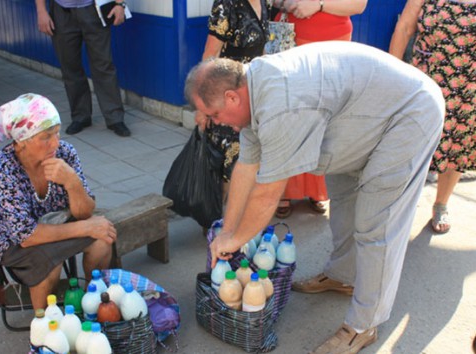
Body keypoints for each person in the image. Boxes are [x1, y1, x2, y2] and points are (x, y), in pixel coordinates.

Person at [186, 42, 444, 353]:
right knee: (344, 201)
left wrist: (236, 239)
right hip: (364, 116)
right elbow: (246, 167)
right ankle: (344, 276)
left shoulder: (281, 103)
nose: (214, 122)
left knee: (376, 225)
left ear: (231, 96)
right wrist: (228, 230)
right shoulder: (252, 92)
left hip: (408, 115)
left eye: (214, 114)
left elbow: (267, 195)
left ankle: (364, 325)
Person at [0, 93, 116, 310]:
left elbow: (84, 213)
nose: (55, 142)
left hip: (54, 223)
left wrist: (72, 182)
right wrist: (84, 227)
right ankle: (44, 326)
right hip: (11, 241)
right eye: (45, 137)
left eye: (57, 133)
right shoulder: (4, 168)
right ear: (21, 142)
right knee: (49, 263)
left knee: (102, 238)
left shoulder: (64, 153)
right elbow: (25, 236)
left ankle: (97, 305)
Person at [270, 0, 367, 218]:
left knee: (327, 120)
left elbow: (359, 5)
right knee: (290, 116)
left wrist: (319, 4)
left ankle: (318, 189)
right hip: (291, 39)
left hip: (335, 43)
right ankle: (284, 189)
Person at [389, 0, 475, 234]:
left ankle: (441, 204)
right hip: (426, 82)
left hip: (468, 87)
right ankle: (398, 206)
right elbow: (405, 27)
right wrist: (392, 75)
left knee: (457, 147)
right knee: (411, 148)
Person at [195, 0, 270, 207]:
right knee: (227, 164)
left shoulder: (264, 4)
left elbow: (261, 52)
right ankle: (219, 220)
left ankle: (238, 216)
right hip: (225, 100)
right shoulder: (226, 4)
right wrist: (203, 106)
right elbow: (210, 56)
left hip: (251, 99)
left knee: (249, 159)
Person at [34, 0, 131, 137]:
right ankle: (81, 116)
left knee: (103, 65)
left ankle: (115, 118)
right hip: (61, 12)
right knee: (70, 66)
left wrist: (119, 4)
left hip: (93, 9)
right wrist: (41, 11)